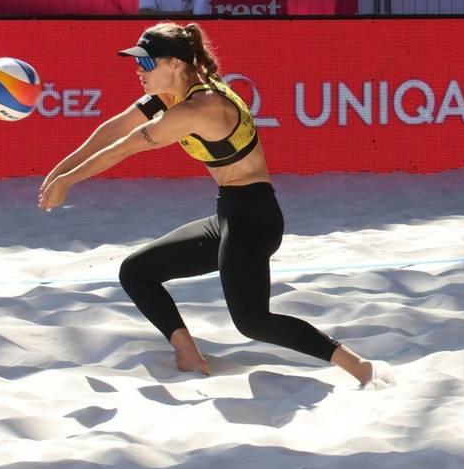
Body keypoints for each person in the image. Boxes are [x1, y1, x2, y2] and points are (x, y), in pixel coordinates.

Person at [39, 22, 390, 388]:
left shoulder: (198, 107)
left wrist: (69, 181)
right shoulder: (174, 94)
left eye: (146, 64)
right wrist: (59, 171)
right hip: (230, 214)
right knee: (136, 272)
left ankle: (359, 367)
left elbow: (126, 146)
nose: (138, 70)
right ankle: (187, 353)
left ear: (174, 64)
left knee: (252, 321)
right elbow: (114, 128)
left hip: (254, 219)